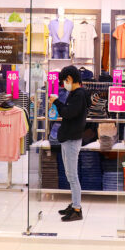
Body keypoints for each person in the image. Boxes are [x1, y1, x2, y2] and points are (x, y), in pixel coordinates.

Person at [49, 66, 90, 222]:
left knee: (72, 176)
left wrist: (56, 102)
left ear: (70, 79)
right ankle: (74, 204)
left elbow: (68, 113)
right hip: (69, 137)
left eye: (64, 81)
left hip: (72, 139)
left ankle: (77, 209)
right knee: (69, 174)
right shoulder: (76, 94)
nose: (64, 84)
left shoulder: (78, 95)